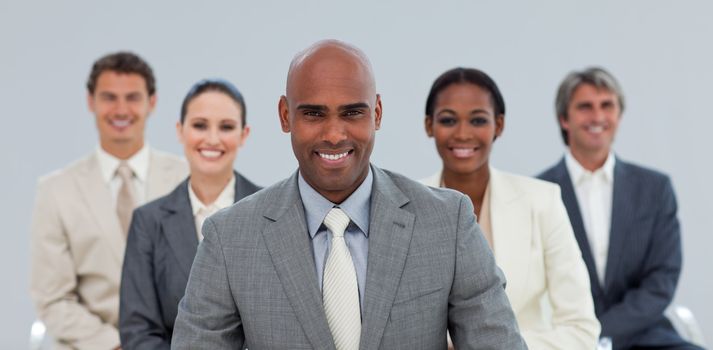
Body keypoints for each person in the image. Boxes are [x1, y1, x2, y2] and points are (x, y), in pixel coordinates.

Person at [171, 40, 526, 350]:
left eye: (352, 112)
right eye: (313, 114)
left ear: (377, 113)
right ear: (285, 116)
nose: (335, 134)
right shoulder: (229, 239)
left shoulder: (448, 223)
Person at [420, 67, 600, 349]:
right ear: (429, 126)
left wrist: (493, 345)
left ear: (499, 126)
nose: (463, 133)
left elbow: (581, 330)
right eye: (448, 120)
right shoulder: (406, 208)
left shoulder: (542, 202)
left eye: (478, 120)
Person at [29, 52, 187, 349]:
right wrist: (119, 344)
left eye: (132, 97)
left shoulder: (185, 177)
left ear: (151, 102)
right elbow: (53, 299)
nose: (121, 109)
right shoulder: (56, 190)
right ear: (91, 102)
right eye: (109, 97)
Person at [538, 67, 701, 350]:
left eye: (607, 106)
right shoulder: (539, 193)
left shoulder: (655, 189)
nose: (598, 117)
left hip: (642, 336)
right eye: (585, 107)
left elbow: (661, 281)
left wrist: (601, 331)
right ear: (564, 119)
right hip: (561, 340)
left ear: (619, 115)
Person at [119, 79, 261, 349]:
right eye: (200, 125)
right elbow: (139, 333)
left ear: (244, 134)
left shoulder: (272, 214)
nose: (212, 138)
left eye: (226, 127)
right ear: (180, 131)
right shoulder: (148, 223)